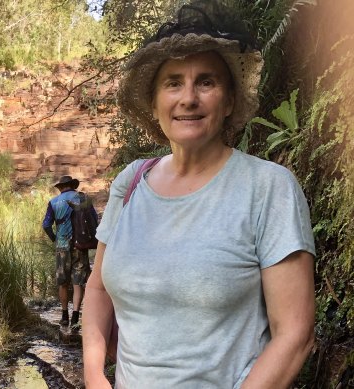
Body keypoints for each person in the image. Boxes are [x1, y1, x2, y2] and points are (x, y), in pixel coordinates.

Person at [82, 1, 316, 388]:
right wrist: (93, 373)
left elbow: (295, 334)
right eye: (173, 82)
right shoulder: (131, 182)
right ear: (155, 102)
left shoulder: (268, 188)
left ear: (228, 101)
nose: (188, 98)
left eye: (206, 81)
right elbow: (97, 287)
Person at [43, 175, 97, 329]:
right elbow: (94, 220)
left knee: (63, 283)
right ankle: (75, 318)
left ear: (60, 187)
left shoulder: (53, 202)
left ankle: (64, 316)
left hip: (62, 245)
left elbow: (46, 225)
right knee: (78, 282)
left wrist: (55, 238)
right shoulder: (83, 198)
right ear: (72, 185)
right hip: (80, 245)